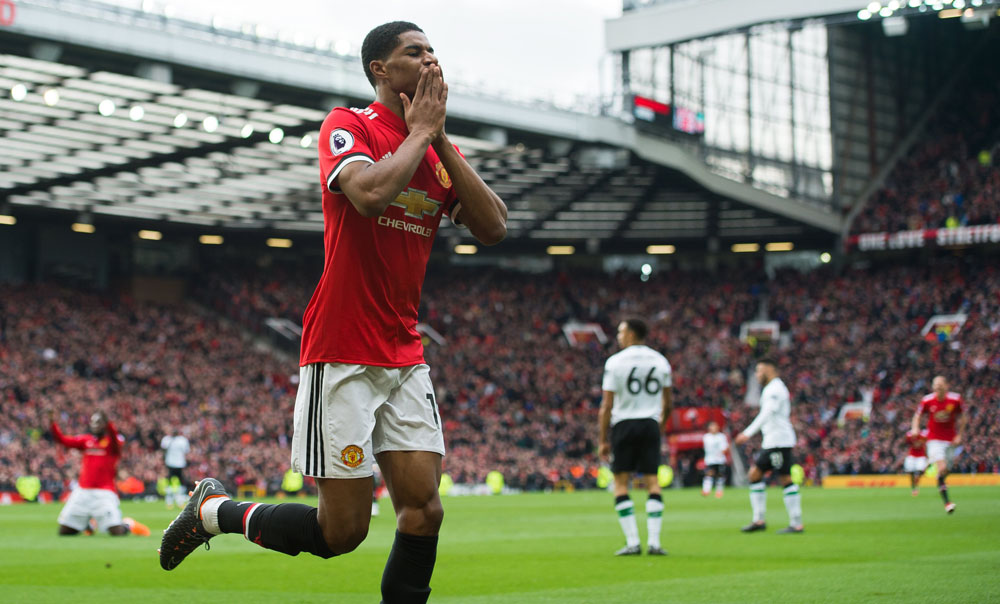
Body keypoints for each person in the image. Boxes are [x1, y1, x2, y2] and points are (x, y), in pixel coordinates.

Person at [159, 21, 507, 604]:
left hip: (404, 353)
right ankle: (215, 511)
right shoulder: (349, 125)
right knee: (341, 532)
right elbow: (369, 197)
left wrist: (440, 140)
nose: (429, 61)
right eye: (413, 52)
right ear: (380, 70)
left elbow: (494, 227)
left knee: (424, 511)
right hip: (342, 349)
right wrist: (420, 135)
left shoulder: (436, 149)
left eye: (432, 51)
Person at [598, 318, 673, 556]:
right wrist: (659, 426)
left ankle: (632, 542)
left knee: (620, 483)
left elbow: (607, 405)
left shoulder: (615, 362)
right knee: (653, 482)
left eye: (621, 331)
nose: (618, 336)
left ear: (631, 334)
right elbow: (668, 403)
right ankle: (654, 542)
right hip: (650, 423)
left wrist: (602, 439)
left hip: (624, 424)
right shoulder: (660, 360)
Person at [49, 410, 149, 537]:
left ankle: (128, 524)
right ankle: (88, 524)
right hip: (83, 492)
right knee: (64, 532)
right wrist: (52, 423)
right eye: (92, 422)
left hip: (104, 493)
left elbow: (114, 436)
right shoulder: (86, 440)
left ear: (105, 424)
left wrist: (109, 423)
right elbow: (62, 440)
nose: (94, 425)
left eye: (98, 422)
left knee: (116, 532)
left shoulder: (113, 442)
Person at [734, 358, 803, 534]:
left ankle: (795, 523)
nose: (757, 375)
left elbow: (767, 413)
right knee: (755, 475)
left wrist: (747, 433)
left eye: (759, 370)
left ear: (769, 370)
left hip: (778, 441)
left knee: (785, 478)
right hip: (774, 441)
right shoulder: (773, 388)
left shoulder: (774, 389)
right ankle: (759, 520)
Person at [911, 375, 966, 514]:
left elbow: (963, 417)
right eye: (935, 386)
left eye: (940, 386)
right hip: (934, 440)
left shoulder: (955, 399)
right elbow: (917, 415)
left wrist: (960, 434)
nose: (938, 389)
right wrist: (915, 428)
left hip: (950, 440)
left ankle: (937, 474)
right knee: (942, 468)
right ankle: (947, 503)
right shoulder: (927, 400)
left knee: (945, 471)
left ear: (946, 386)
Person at [161, 429, 190, 509]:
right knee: (170, 484)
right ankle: (169, 502)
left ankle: (180, 501)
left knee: (180, 484)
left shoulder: (182, 440)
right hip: (170, 463)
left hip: (180, 464)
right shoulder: (167, 439)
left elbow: (186, 451)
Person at [701, 421, 729, 498]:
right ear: (709, 428)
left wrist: (722, 452)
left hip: (720, 460)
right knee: (709, 474)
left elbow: (725, 447)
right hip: (710, 460)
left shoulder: (721, 436)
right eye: (713, 426)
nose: (715, 428)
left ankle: (719, 491)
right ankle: (706, 490)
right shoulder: (706, 437)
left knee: (719, 475)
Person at [903, 429, 928, 496]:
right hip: (912, 455)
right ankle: (914, 488)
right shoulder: (910, 434)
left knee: (920, 470)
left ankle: (917, 480)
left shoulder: (923, 434)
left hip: (921, 455)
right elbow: (906, 442)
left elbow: (925, 442)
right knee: (911, 473)